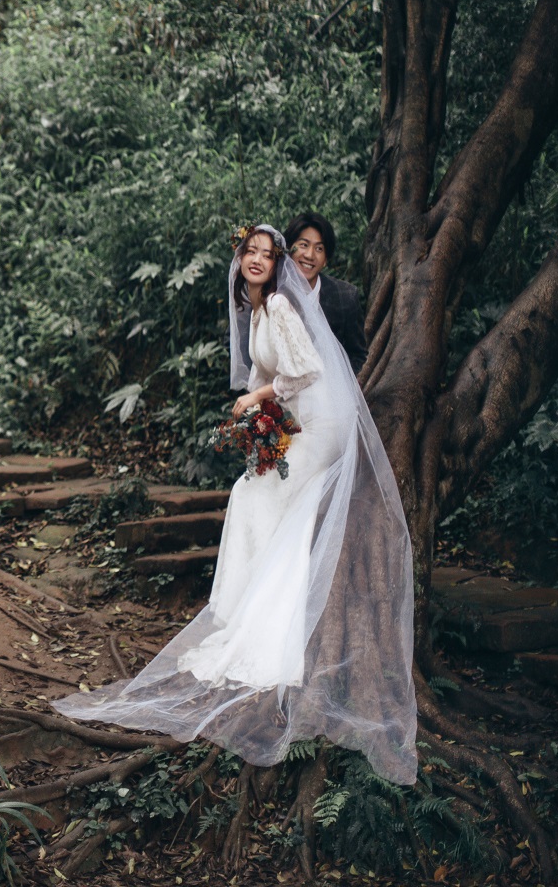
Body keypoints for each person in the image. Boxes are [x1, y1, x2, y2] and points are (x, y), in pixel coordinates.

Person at [56, 224, 417, 784]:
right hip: (299, 419)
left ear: (277, 267)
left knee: (254, 495)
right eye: (251, 252)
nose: (257, 260)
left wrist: (257, 399)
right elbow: (264, 372)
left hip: (325, 422)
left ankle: (263, 622)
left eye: (268, 255)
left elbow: (306, 371)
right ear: (240, 259)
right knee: (251, 491)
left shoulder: (279, 306)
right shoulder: (254, 311)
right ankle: (250, 609)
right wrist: (257, 419)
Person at [283, 211, 368, 374]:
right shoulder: (270, 292)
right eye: (304, 245)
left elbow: (358, 356)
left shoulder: (345, 297)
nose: (310, 255)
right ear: (289, 249)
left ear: (326, 260)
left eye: (319, 248)